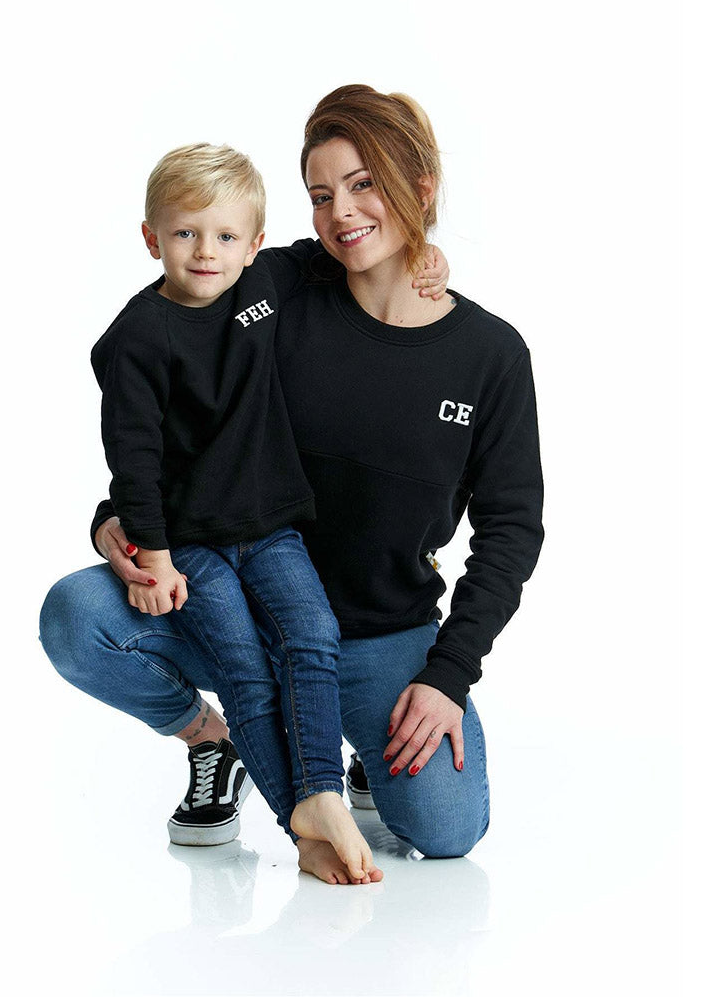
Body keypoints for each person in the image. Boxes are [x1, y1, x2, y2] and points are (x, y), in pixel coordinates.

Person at [40, 84, 543, 881]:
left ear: (421, 187)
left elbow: (512, 531)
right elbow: (167, 394)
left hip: (378, 634)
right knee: (77, 616)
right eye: (320, 194)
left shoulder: (491, 355)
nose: (341, 212)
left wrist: (448, 677)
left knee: (448, 830)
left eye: (364, 184)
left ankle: (358, 751)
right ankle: (215, 744)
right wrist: (119, 520)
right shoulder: (274, 293)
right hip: (233, 603)